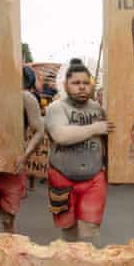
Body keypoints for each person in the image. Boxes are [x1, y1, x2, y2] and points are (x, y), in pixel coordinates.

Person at [44, 62, 113, 245]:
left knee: (89, 231)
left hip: (94, 179)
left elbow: (109, 140)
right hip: (62, 179)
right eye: (76, 82)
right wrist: (95, 128)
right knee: (68, 231)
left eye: (86, 82)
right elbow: (60, 135)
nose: (82, 86)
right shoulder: (56, 108)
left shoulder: (99, 110)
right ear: (66, 85)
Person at [0, 67, 45, 237]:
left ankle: (10, 256)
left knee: (7, 220)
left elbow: (40, 130)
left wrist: (25, 155)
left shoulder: (25, 98)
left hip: (11, 167)